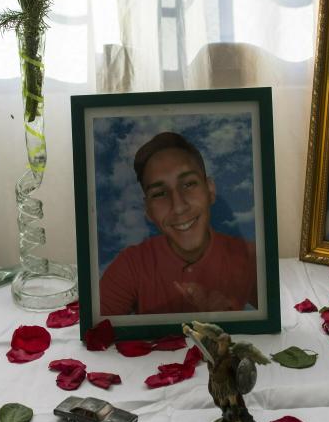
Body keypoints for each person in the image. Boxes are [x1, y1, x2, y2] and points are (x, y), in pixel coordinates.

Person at [100, 132, 257, 315]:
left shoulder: (250, 257)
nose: (178, 206)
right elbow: (96, 331)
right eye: (159, 194)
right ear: (148, 211)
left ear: (210, 190)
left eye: (189, 184)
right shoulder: (131, 266)